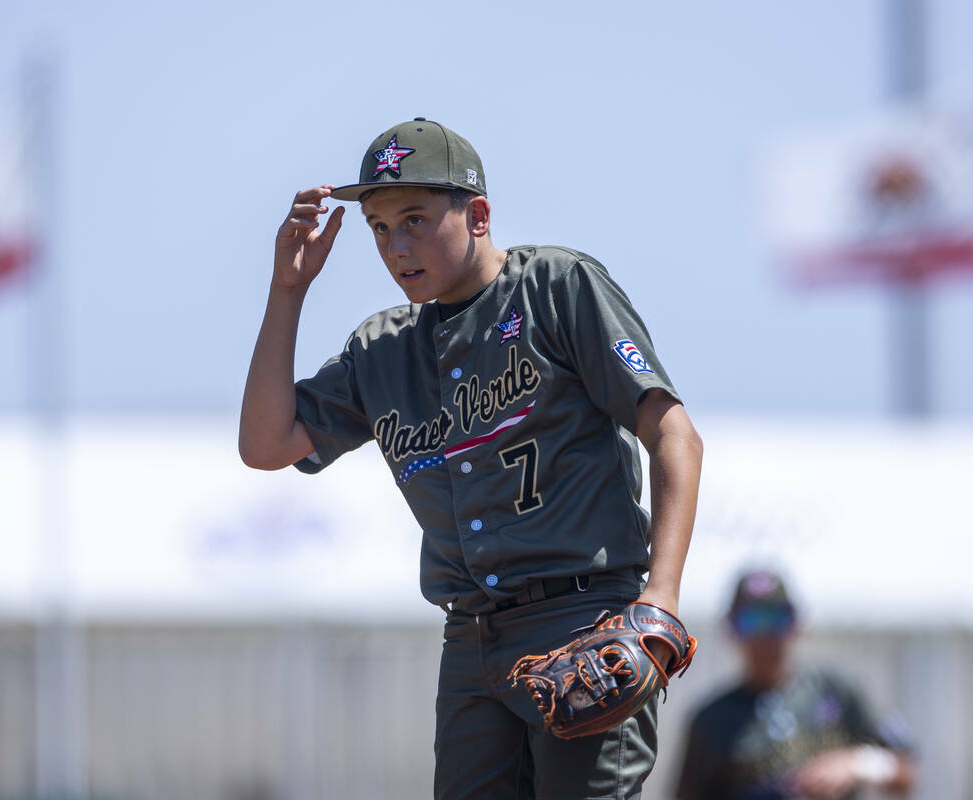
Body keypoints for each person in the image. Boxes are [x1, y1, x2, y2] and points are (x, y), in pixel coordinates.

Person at [239, 118, 703, 800]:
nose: (397, 246)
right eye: (378, 227)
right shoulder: (382, 349)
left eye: (416, 219)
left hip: (582, 618)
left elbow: (674, 436)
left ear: (478, 214)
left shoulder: (554, 285)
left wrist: (658, 601)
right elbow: (264, 445)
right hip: (471, 642)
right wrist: (288, 291)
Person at [674, 569, 917, 800]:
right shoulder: (710, 720)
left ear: (796, 623)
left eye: (777, 618)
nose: (765, 635)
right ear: (731, 628)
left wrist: (857, 764)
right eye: (751, 620)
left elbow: (906, 772)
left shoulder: (836, 690)